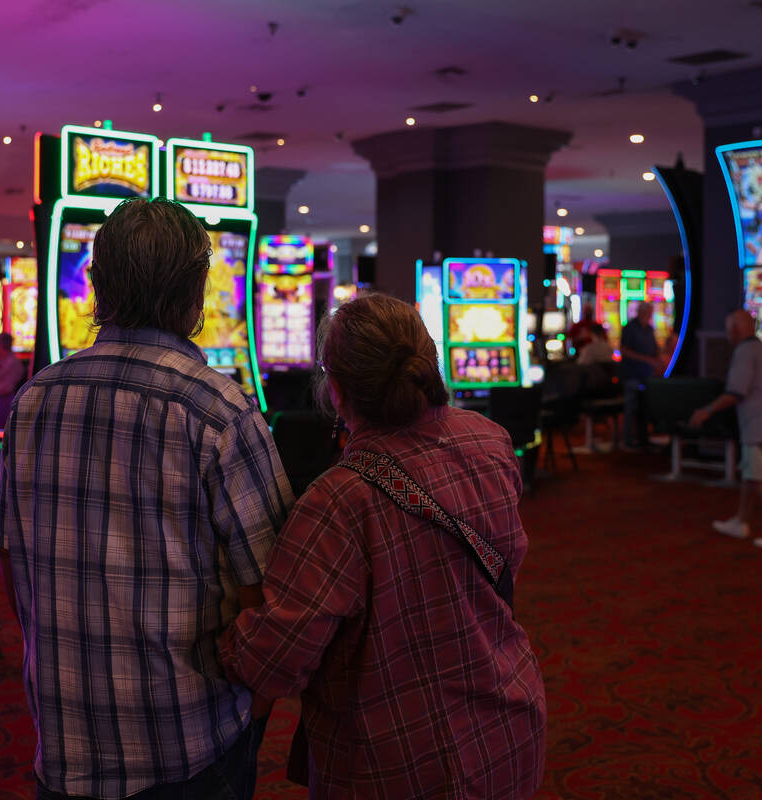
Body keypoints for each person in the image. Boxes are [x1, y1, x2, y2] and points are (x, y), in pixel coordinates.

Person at [0, 197, 293, 800]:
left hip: (65, 739)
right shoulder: (221, 412)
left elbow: (9, 558)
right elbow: (273, 593)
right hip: (191, 743)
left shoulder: (33, 401)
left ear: (95, 285)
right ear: (197, 291)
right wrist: (255, 707)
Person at [219, 293, 546, 799]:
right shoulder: (490, 440)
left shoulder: (337, 501)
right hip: (507, 725)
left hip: (396, 760)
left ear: (337, 388)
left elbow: (274, 662)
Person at [689, 310, 762, 549]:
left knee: (758, 479)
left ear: (735, 331)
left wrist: (707, 409)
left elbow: (736, 392)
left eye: (729, 329)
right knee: (751, 476)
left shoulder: (744, 353)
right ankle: (741, 521)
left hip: (757, 426)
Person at [619, 300, 664, 448]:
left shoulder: (649, 329)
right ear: (639, 312)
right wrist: (648, 360)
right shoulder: (630, 328)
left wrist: (658, 359)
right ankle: (628, 440)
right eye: (646, 312)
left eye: (650, 313)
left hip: (647, 375)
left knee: (644, 407)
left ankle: (643, 438)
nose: (649, 315)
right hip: (632, 373)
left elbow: (655, 349)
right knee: (631, 407)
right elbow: (624, 351)